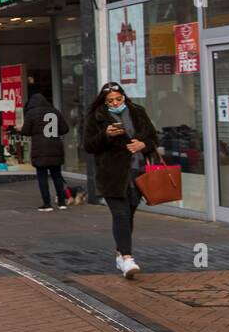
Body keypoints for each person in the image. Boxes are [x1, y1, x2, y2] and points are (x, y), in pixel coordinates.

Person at [82, 81, 158, 280]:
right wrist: (105, 135)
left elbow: (153, 137)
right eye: (110, 101)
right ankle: (127, 258)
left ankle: (120, 253)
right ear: (104, 101)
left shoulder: (137, 111)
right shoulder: (96, 117)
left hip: (137, 172)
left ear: (124, 97)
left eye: (118, 99)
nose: (115, 103)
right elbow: (89, 145)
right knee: (121, 215)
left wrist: (143, 144)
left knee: (129, 214)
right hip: (111, 175)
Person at [21, 90, 71, 211]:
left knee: (42, 177)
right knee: (57, 176)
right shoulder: (55, 112)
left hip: (40, 150)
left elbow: (25, 131)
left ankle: (47, 204)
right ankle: (62, 203)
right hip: (55, 147)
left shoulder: (31, 113)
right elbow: (65, 129)